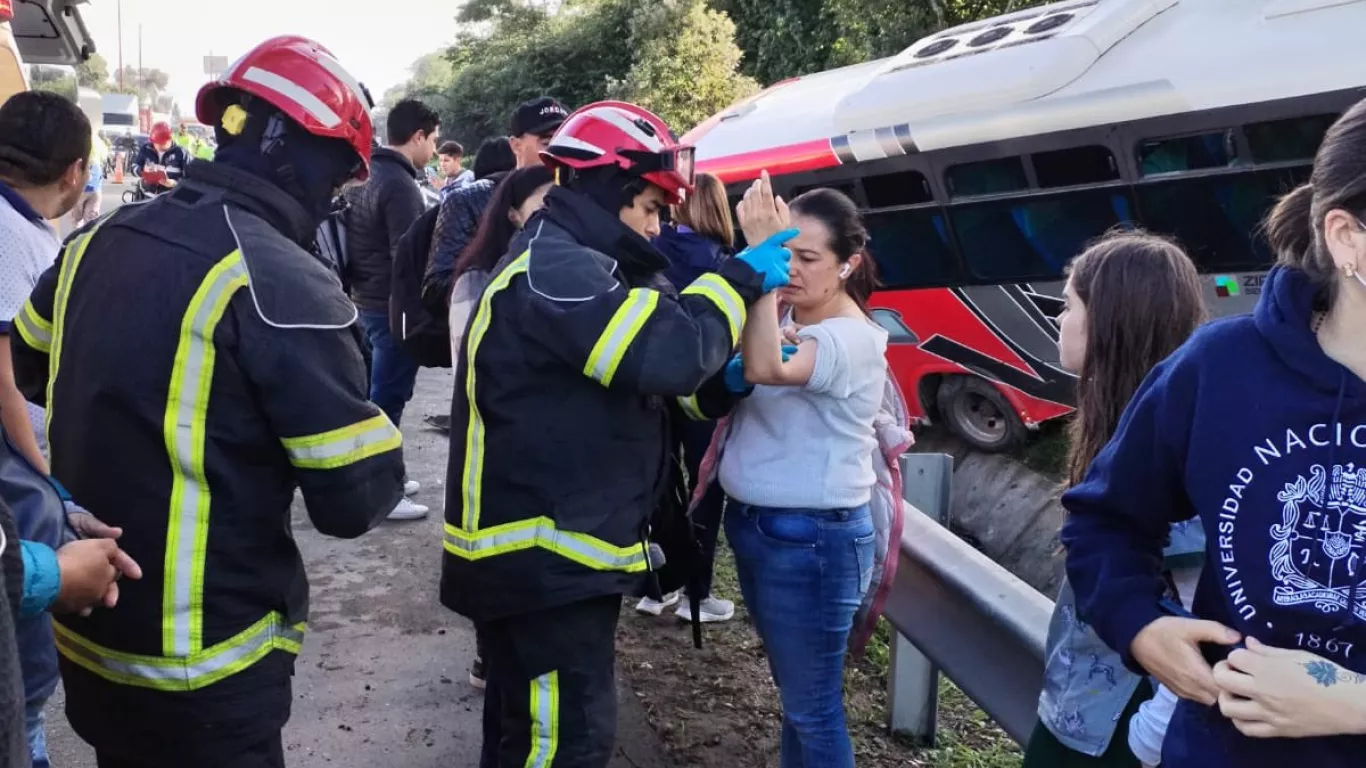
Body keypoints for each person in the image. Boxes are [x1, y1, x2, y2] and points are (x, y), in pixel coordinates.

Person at [10, 35, 405, 768]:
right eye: (340, 178)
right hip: (208, 666)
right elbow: (354, 502)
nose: (338, 196)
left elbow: (28, 368)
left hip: (95, 637)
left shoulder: (101, 237)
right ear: (303, 158)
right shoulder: (282, 280)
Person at [440, 101, 794, 768]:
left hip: (543, 561)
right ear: (614, 191)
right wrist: (742, 275)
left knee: (528, 738)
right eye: (652, 209)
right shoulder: (559, 268)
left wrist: (722, 385)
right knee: (562, 745)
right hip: (541, 561)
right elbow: (661, 354)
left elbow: (648, 385)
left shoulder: (580, 264)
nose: (658, 230)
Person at [1061, 98, 1366, 767]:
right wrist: (1140, 625)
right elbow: (1102, 521)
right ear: (1347, 238)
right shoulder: (1219, 370)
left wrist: (1351, 704)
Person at [712, 177, 884, 768]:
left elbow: (763, 368)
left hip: (812, 539)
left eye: (807, 257)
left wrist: (758, 273)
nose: (790, 269)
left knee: (812, 707)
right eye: (783, 255)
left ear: (848, 264)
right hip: (768, 530)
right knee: (798, 701)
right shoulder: (797, 322)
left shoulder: (849, 338)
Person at [1022, 231, 1207, 768]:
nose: (1060, 318)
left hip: (1124, 729)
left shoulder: (1168, 446)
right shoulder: (1130, 426)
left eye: (1068, 304)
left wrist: (1148, 736)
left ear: (1109, 320)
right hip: (1086, 712)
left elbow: (1201, 603)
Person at [636, 172, 738, 623]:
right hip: (702, 388)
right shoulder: (721, 261)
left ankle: (656, 587)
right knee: (702, 490)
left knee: (660, 484)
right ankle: (700, 595)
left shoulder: (652, 248)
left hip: (653, 384)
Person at [342, 98, 441, 521]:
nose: (435, 149)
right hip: (391, 306)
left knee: (376, 392)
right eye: (434, 139)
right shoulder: (400, 185)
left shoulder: (368, 174)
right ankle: (381, 492)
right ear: (417, 137)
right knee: (387, 398)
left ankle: (388, 477)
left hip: (367, 299)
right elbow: (409, 254)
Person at [0, 90, 91, 475]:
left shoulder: (24, 224)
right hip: (15, 471)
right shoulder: (8, 234)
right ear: (74, 173)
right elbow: (5, 386)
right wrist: (50, 493)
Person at [426, 97, 569, 318]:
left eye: (566, 141)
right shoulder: (468, 200)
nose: (558, 153)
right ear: (515, 145)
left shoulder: (577, 197)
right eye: (548, 142)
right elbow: (437, 289)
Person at [129, 121, 188, 195]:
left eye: (162, 144)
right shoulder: (146, 149)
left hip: (171, 199)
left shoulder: (181, 153)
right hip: (147, 198)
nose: (158, 146)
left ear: (170, 139)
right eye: (155, 143)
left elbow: (190, 178)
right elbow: (133, 167)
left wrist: (174, 183)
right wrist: (142, 170)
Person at [70, 120, 108, 230]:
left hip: (79, 187)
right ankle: (88, 245)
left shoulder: (76, 139)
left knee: (76, 220)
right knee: (91, 222)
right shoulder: (99, 142)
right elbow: (105, 158)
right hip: (95, 187)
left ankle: (75, 242)